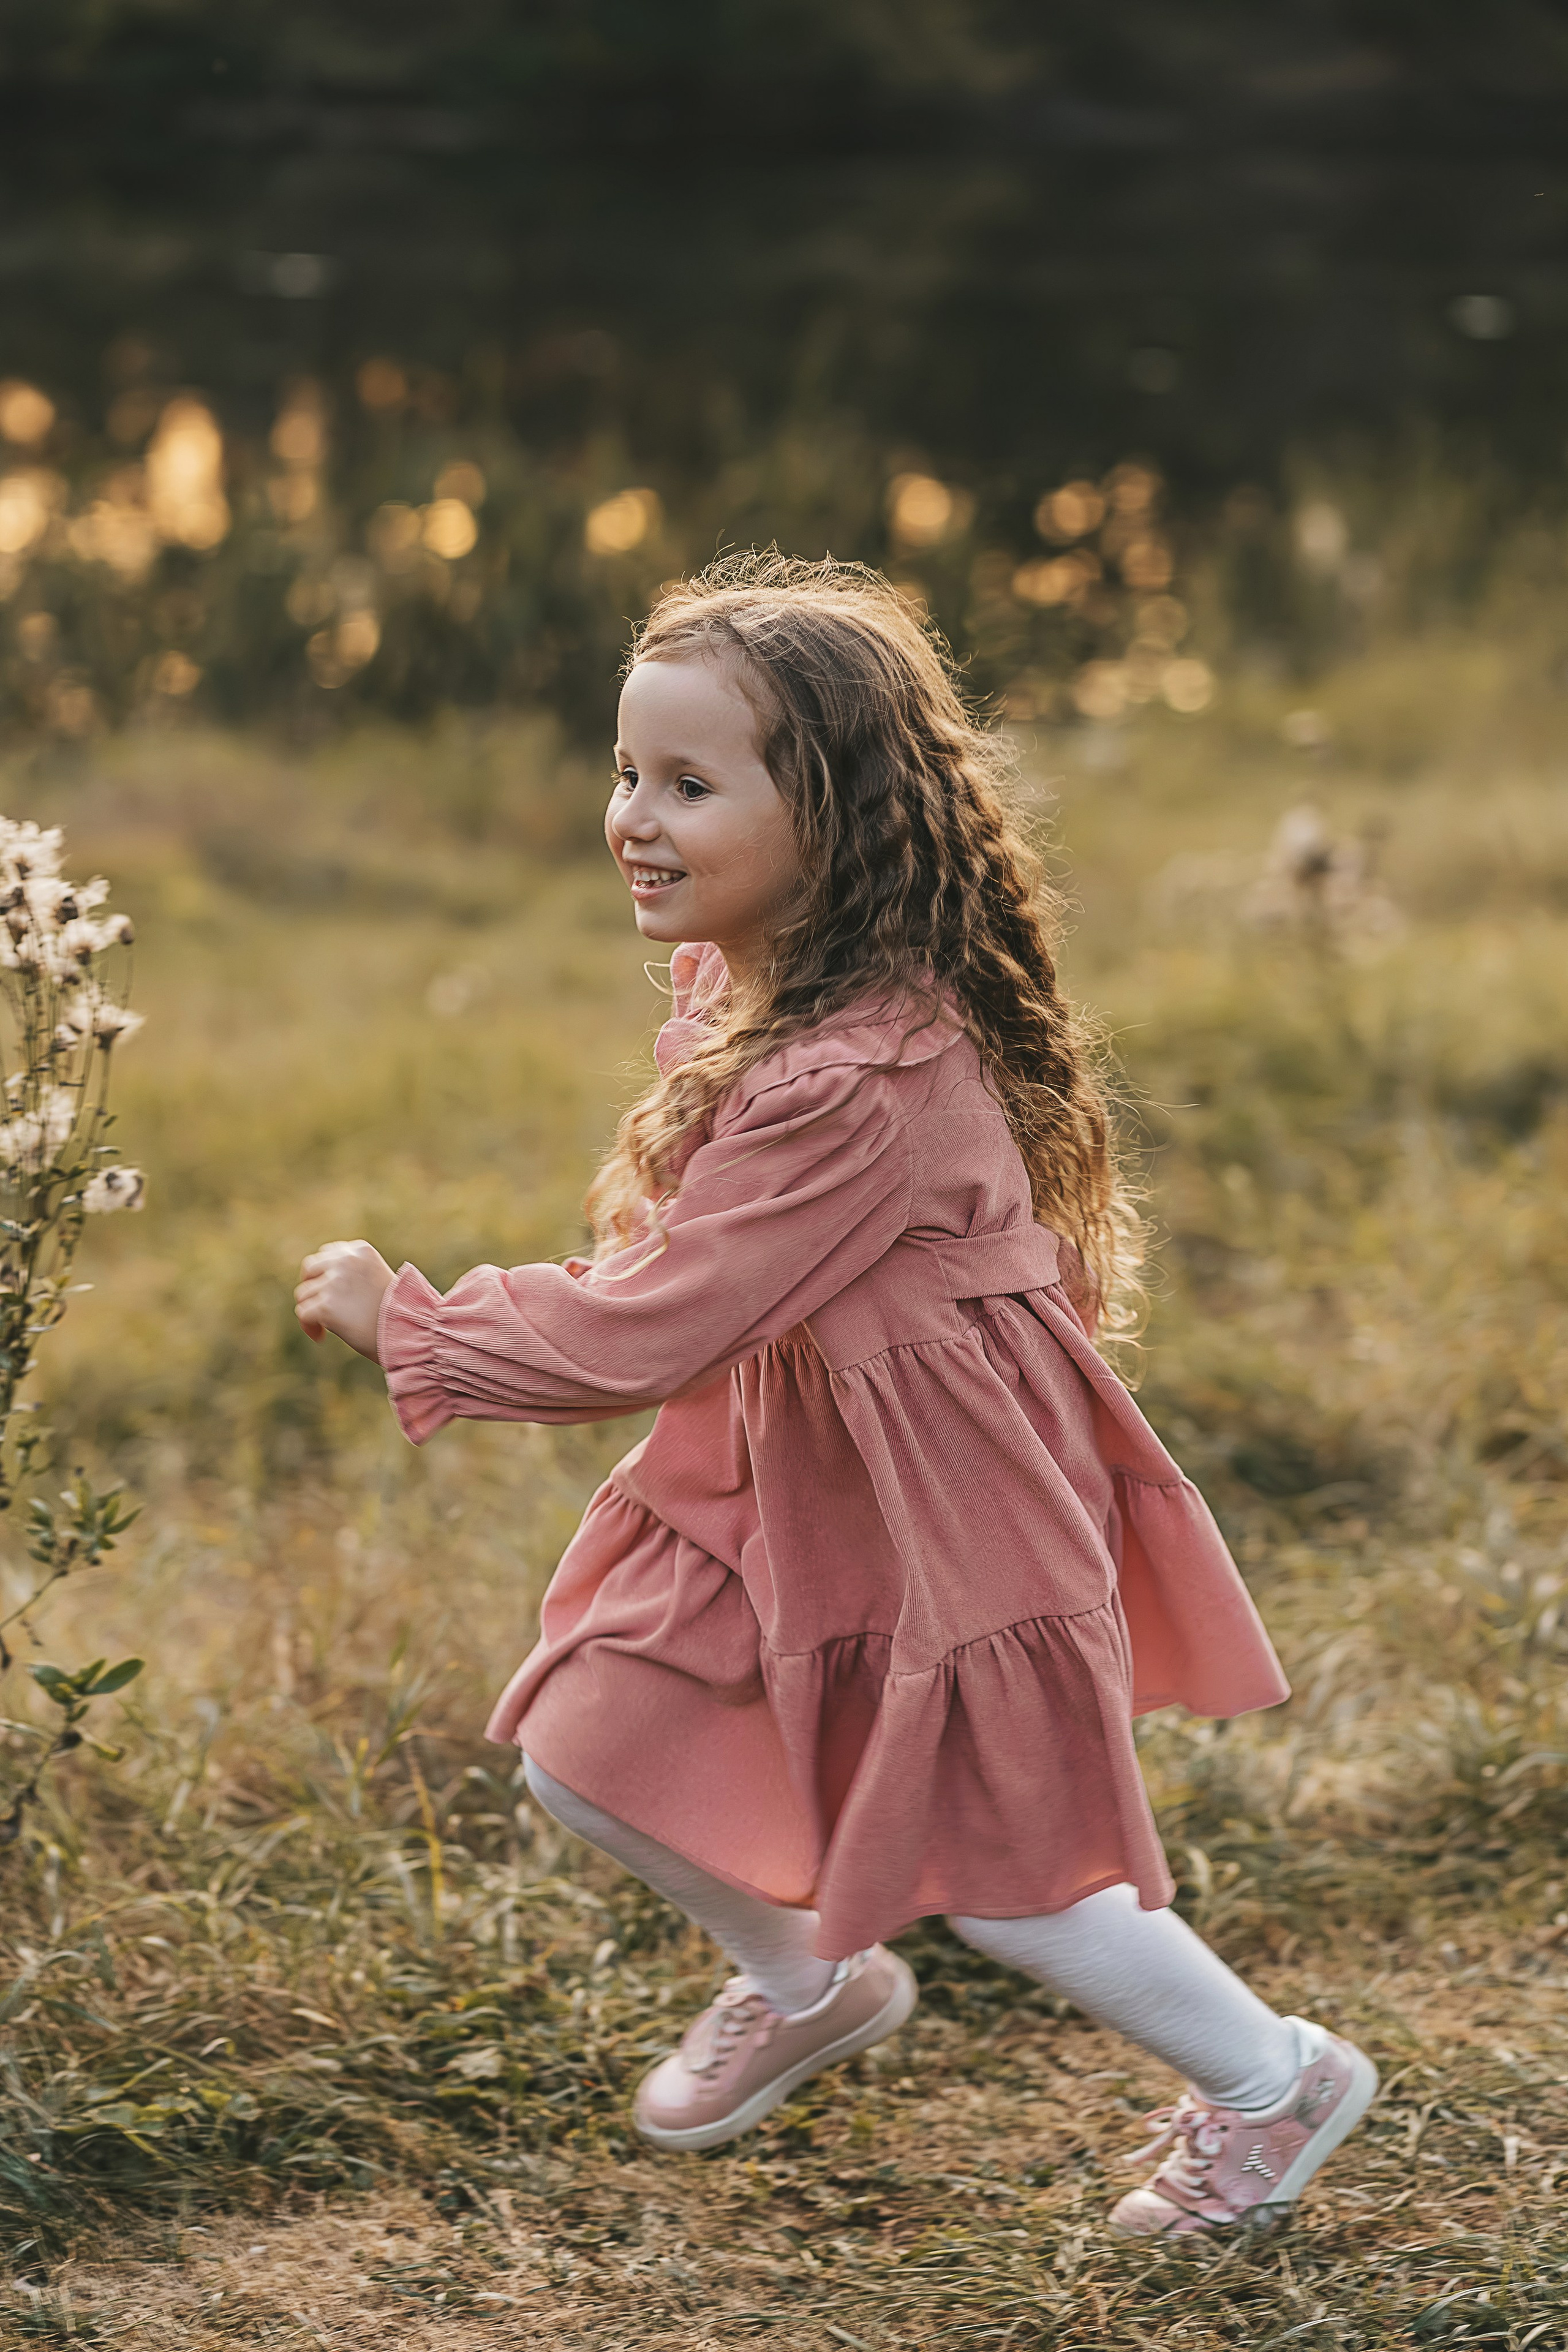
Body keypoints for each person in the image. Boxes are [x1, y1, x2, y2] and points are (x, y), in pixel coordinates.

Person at [295, 554, 1376, 2235]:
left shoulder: (862, 1071)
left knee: (1019, 1885)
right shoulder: (777, 993)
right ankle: (812, 1981)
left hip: (948, 1516)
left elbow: (650, 1324)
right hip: (787, 1471)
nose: (633, 819)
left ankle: (1270, 2078)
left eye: (689, 784)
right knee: (590, 1742)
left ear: (839, 819)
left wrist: (411, 1325)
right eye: (624, 773)